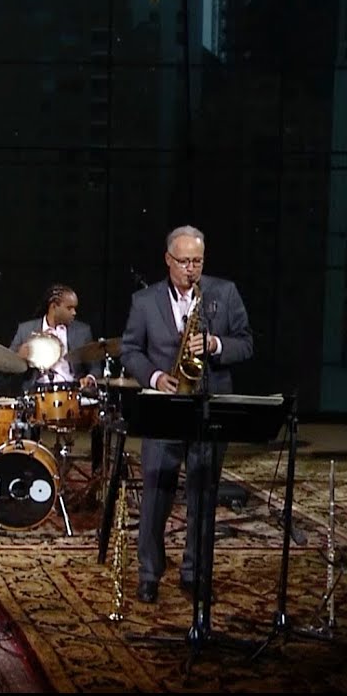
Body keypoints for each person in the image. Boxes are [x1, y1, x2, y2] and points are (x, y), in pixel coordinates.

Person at [120, 225, 253, 604]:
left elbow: (246, 343)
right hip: (165, 408)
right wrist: (155, 377)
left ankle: (195, 573)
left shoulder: (224, 293)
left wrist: (215, 344)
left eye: (197, 261)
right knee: (155, 497)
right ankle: (149, 574)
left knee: (203, 497)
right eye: (183, 262)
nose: (190, 269)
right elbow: (130, 350)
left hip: (209, 408)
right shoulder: (144, 301)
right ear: (168, 260)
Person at [9, 284, 98, 392]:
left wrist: (90, 378)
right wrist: (19, 357)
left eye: (74, 308)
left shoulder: (82, 331)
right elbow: (7, 364)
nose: (74, 313)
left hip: (72, 390)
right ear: (54, 307)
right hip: (36, 391)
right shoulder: (25, 330)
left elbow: (95, 366)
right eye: (69, 308)